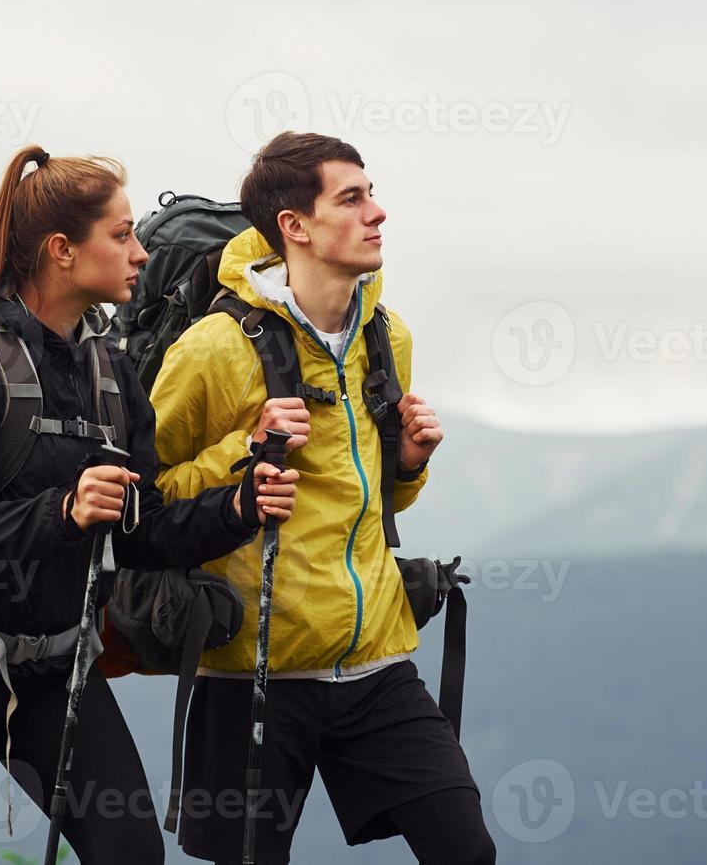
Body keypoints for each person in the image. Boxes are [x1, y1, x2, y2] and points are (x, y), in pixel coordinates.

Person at [0, 144, 300, 865]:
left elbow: (140, 531)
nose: (139, 253)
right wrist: (62, 511)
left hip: (58, 668)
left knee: (132, 854)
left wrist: (239, 507)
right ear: (63, 250)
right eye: (121, 235)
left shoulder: (110, 370)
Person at [151, 132, 496, 864]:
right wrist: (240, 451)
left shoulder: (385, 335)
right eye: (353, 198)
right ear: (294, 226)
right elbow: (145, 507)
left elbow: (375, 498)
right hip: (253, 670)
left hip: (376, 659)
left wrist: (409, 463)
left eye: (370, 193)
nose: (378, 213)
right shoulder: (213, 350)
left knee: (466, 851)